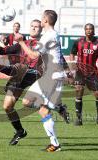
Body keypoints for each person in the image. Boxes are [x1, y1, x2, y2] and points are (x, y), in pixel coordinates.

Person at [0, 19, 70, 147]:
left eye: (37, 27)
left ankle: (56, 115)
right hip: (21, 76)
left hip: (38, 76)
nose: (33, 28)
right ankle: (20, 131)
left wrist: (67, 71)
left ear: (41, 28)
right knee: (7, 106)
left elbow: (58, 57)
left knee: (35, 106)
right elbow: (3, 51)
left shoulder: (45, 42)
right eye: (32, 26)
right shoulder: (23, 44)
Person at [14, 10, 71, 152]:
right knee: (34, 105)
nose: (40, 20)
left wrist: (21, 41)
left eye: (41, 18)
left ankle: (55, 140)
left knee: (36, 106)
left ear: (45, 20)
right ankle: (58, 112)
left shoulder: (48, 36)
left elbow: (33, 55)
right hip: (50, 75)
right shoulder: (51, 35)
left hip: (52, 76)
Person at [69, 23, 98, 126]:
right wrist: (73, 66)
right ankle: (79, 119)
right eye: (87, 29)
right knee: (79, 91)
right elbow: (72, 53)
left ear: (94, 30)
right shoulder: (78, 42)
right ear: (84, 31)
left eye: (91, 29)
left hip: (92, 72)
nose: (89, 31)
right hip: (80, 72)